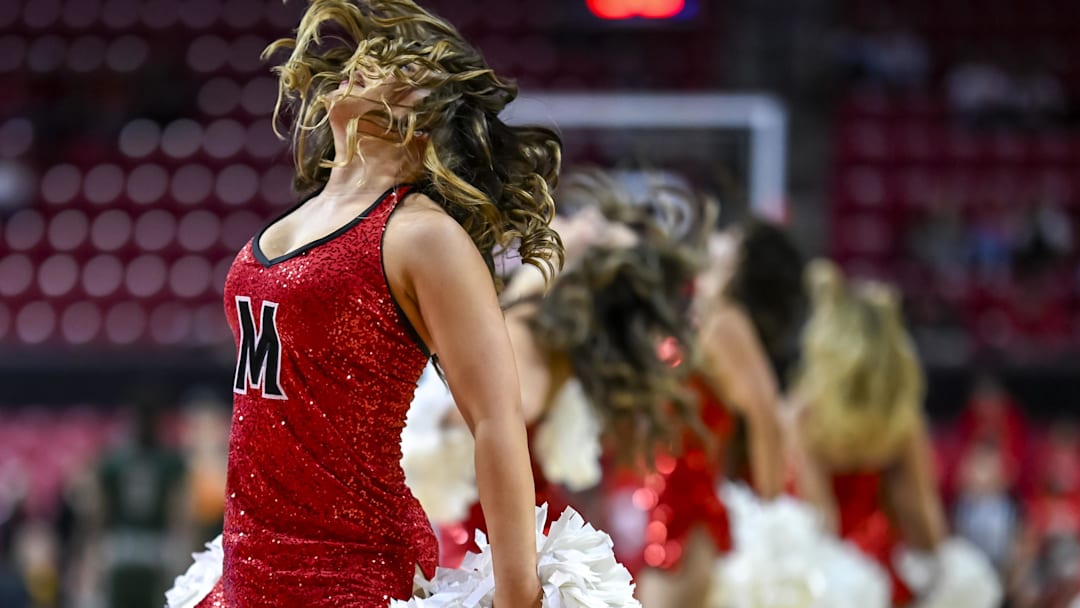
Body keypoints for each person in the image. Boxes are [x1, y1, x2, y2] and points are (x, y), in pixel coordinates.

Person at [186, 1, 563, 605]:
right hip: (249, 567)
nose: (363, 64)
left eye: (397, 66)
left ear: (422, 118)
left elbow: (495, 418)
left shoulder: (425, 235)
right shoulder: (307, 211)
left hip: (348, 567)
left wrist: (519, 593)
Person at [434, 168, 705, 568]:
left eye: (587, 229)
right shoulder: (534, 334)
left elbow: (446, 419)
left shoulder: (526, 342)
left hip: (486, 560)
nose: (569, 223)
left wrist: (541, 265)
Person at [786, 260, 1001, 608]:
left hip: (826, 585)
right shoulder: (903, 418)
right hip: (883, 578)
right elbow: (925, 525)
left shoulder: (805, 414)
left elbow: (820, 527)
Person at [636, 220, 803, 608]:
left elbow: (767, 418)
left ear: (741, 264)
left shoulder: (728, 323)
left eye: (732, 235)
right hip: (668, 506)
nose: (717, 236)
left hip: (688, 515)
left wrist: (770, 521)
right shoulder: (707, 317)